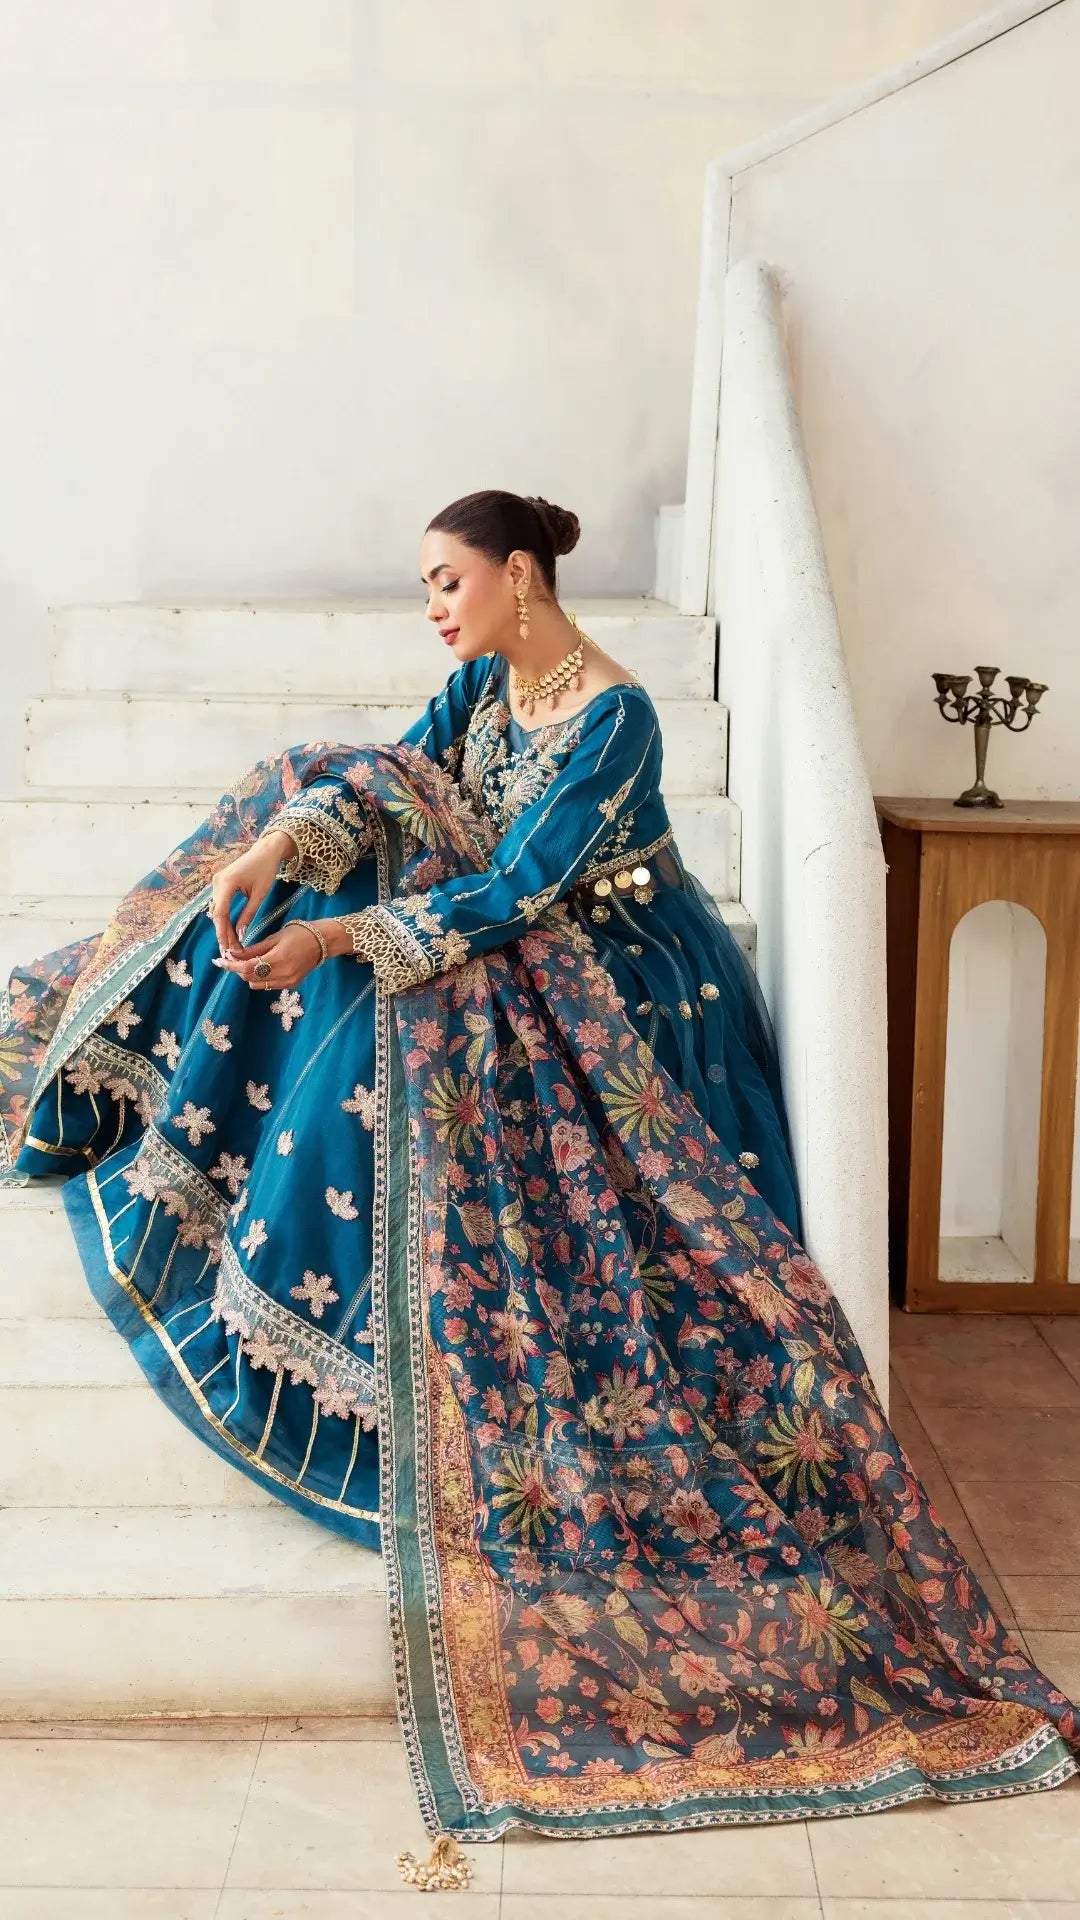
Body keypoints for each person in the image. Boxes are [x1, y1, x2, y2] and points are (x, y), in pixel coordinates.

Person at [1, 489, 1076, 1882]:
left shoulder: (616, 717)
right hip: (515, 939)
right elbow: (391, 773)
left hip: (632, 983)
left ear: (522, 575)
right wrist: (280, 854)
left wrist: (340, 930)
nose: (437, 609)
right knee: (317, 783)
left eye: (451, 582)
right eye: (430, 588)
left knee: (386, 987)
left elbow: (515, 891)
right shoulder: (484, 687)